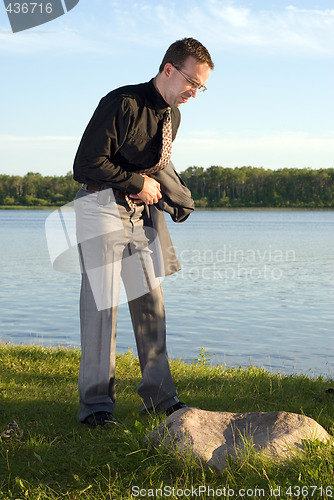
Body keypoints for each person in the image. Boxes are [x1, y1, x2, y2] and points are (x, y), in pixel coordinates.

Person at [73, 37, 214, 428]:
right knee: (102, 309)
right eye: (192, 82)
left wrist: (175, 198)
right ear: (169, 69)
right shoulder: (123, 103)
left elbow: (158, 167)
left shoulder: (174, 117)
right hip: (100, 204)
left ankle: (160, 399)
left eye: (201, 87)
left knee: (151, 304)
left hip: (143, 213)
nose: (195, 93)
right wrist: (136, 182)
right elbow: (86, 163)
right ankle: (96, 408)